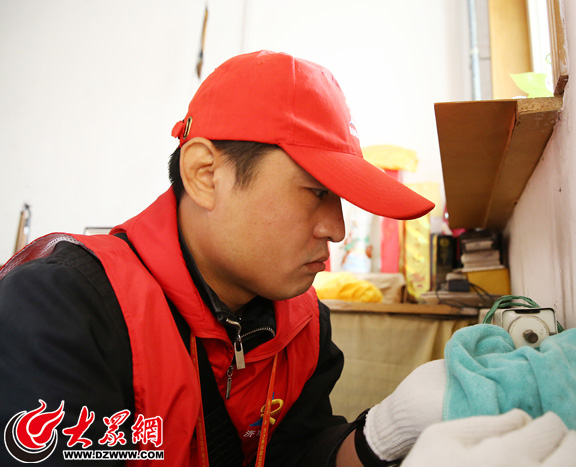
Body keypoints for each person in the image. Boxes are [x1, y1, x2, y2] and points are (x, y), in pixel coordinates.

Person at [0, 50, 444, 466]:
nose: (337, 229)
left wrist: (386, 431)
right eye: (316, 192)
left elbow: (299, 453)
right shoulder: (63, 307)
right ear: (205, 175)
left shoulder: (304, 326)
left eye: (340, 199)